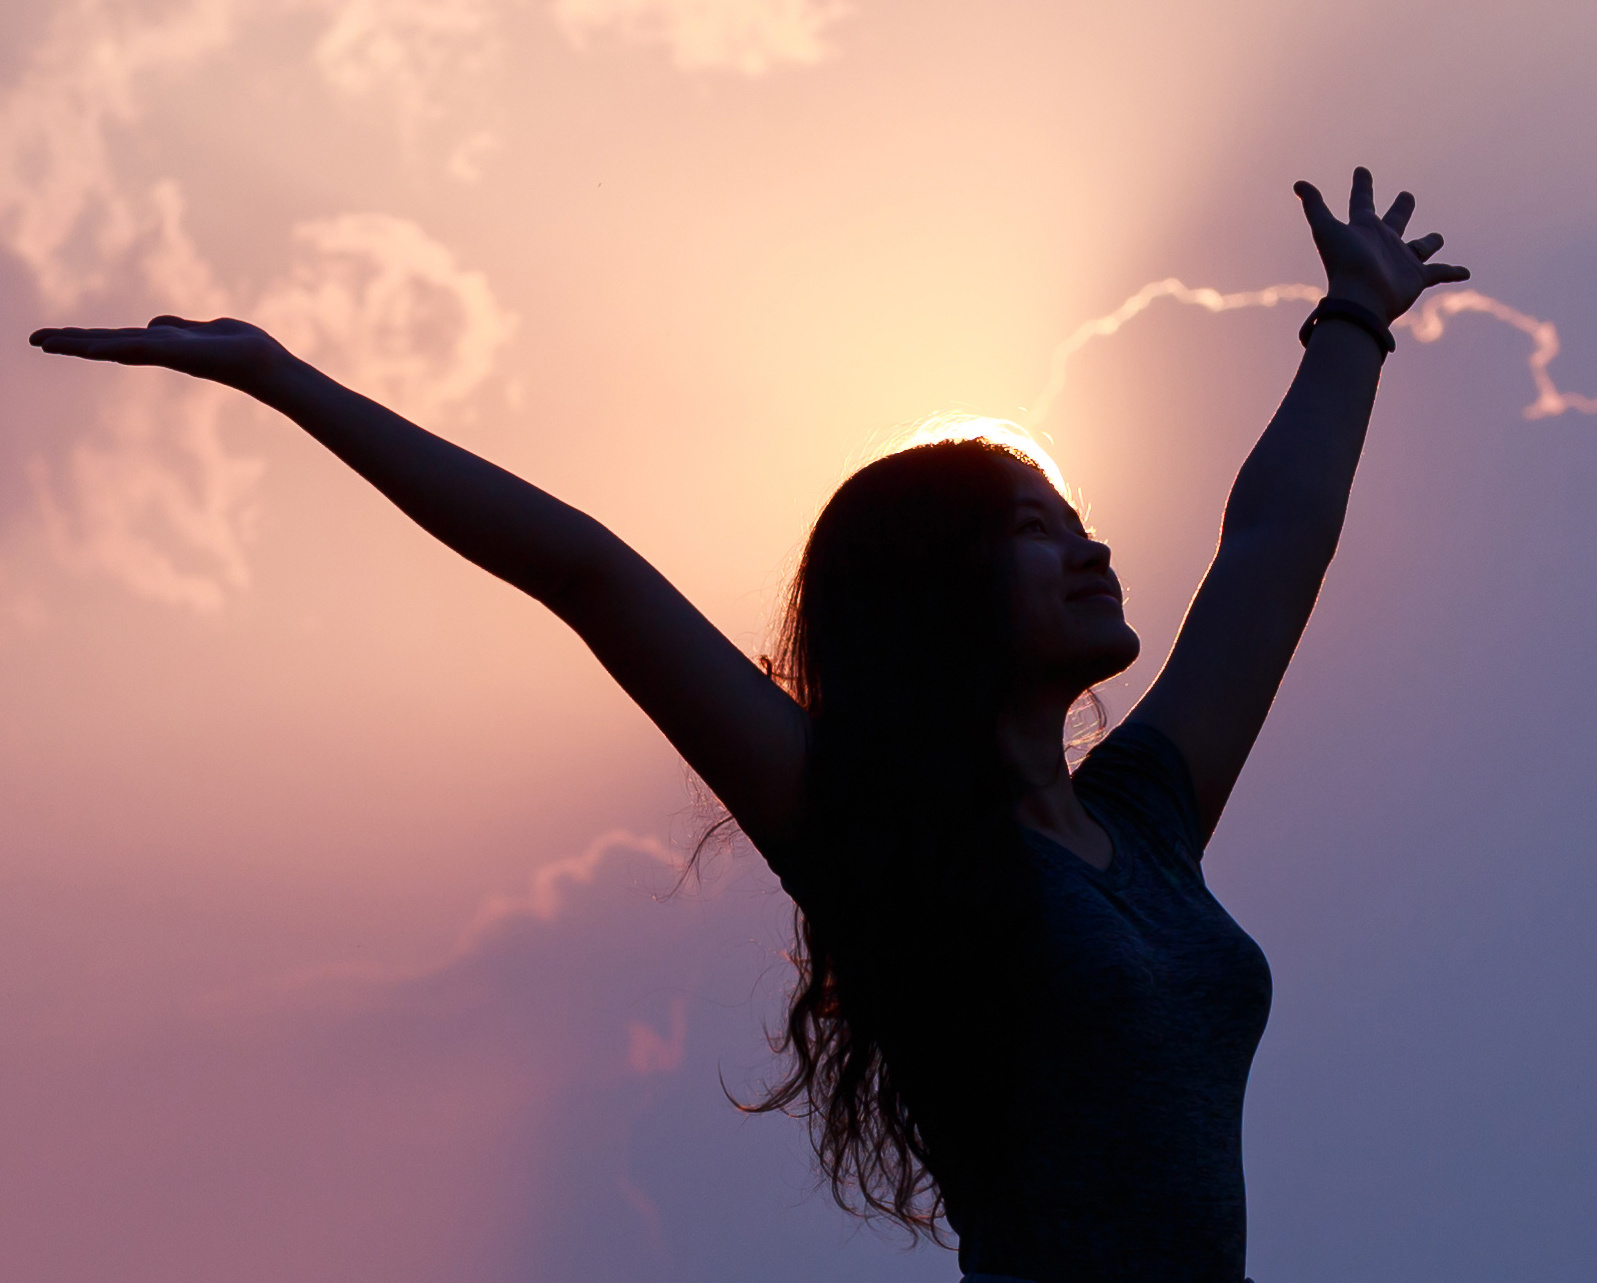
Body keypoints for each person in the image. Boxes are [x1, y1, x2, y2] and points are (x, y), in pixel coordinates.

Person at [31, 169, 1467, 1282]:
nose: (1091, 550)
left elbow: (1273, 545)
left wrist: (1351, 322)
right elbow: (584, 570)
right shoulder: (878, 841)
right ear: (936, 599)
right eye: (1038, 534)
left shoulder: (1146, 818)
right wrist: (280, 378)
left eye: (1080, 521)